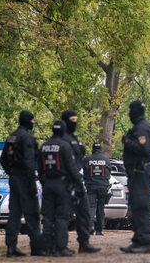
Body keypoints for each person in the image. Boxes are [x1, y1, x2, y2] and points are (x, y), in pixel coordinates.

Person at [0, 110, 44, 257]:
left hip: (14, 177)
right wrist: (32, 180)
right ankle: (36, 247)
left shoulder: (11, 136)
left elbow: (3, 159)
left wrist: (11, 173)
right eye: (33, 120)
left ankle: (11, 247)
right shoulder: (27, 137)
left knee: (15, 213)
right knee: (32, 213)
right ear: (29, 121)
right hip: (25, 178)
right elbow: (29, 161)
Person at [39, 120, 85, 257]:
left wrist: (44, 181)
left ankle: (47, 248)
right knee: (62, 217)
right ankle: (60, 247)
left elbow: (39, 167)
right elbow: (71, 168)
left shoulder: (44, 146)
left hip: (48, 185)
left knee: (47, 217)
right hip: (62, 185)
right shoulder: (65, 146)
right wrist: (79, 184)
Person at [120, 100, 150, 254]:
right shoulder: (147, 127)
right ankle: (138, 241)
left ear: (134, 112)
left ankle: (143, 242)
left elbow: (143, 150)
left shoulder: (141, 128)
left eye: (130, 110)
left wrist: (127, 141)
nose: (129, 113)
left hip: (140, 172)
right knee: (137, 206)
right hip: (141, 171)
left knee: (141, 207)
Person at [61, 110, 100, 253]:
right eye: (72, 119)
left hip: (78, 180)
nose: (75, 122)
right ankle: (61, 245)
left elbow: (81, 156)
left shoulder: (75, 138)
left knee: (84, 213)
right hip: (66, 182)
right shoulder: (62, 139)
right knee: (64, 215)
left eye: (76, 119)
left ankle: (84, 243)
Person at [83, 142, 112, 236]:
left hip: (91, 186)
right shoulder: (106, 159)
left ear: (92, 149)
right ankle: (99, 230)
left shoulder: (87, 159)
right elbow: (109, 171)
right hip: (103, 187)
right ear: (100, 149)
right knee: (100, 208)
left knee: (91, 206)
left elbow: (84, 171)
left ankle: (90, 226)